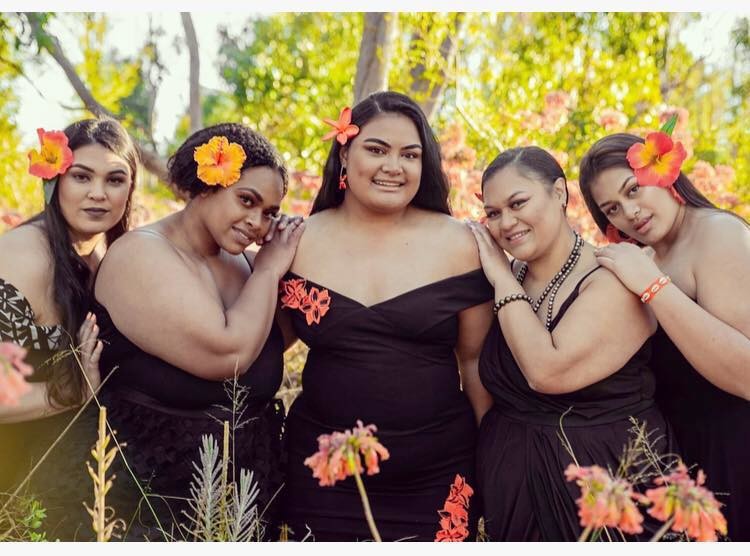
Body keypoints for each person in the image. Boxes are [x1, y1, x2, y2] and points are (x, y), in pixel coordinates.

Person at [279, 91, 494, 541]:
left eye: (409, 155)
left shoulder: (461, 244)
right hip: (324, 472)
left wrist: (491, 464)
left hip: (435, 474)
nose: (393, 166)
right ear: (344, 153)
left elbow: (474, 363)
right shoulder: (295, 241)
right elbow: (264, 346)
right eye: (376, 149)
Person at [91, 123, 304, 540]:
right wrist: (270, 268)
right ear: (207, 184)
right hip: (152, 508)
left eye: (270, 213)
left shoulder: (240, 262)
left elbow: (268, 342)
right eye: (247, 200)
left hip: (247, 502)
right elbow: (230, 355)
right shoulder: (140, 254)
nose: (257, 223)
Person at [465, 146, 677, 541]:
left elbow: (548, 371)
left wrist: (503, 280)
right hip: (511, 493)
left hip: (605, 491)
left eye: (518, 203)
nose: (506, 222)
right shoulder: (509, 277)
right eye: (493, 213)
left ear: (559, 193)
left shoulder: (613, 277)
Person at [578, 131, 750, 541]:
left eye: (634, 189)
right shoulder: (649, 258)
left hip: (738, 454)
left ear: (665, 171)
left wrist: (654, 287)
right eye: (612, 209)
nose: (629, 213)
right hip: (685, 461)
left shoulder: (717, 234)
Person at [0, 118, 137, 539]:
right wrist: (74, 391)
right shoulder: (24, 256)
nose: (98, 193)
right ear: (55, 180)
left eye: (115, 179)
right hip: (16, 482)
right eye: (81, 176)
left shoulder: (102, 259)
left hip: (74, 479)